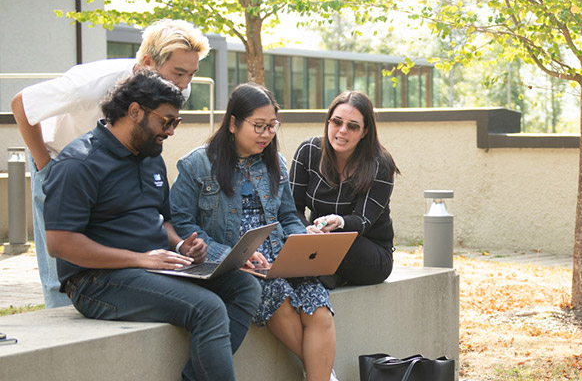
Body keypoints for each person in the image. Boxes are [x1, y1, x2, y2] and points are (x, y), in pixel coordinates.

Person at [43, 71, 261, 381]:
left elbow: (165, 220)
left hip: (155, 268)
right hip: (96, 281)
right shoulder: (79, 163)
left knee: (245, 286)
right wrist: (141, 259)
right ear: (135, 112)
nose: (171, 131)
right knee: (208, 307)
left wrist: (179, 245)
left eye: (176, 122)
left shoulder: (150, 157)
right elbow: (61, 244)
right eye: (166, 121)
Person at [10, 19, 210, 308]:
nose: (184, 85)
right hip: (60, 159)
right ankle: (60, 319)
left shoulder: (175, 88)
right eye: (178, 73)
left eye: (191, 74)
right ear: (146, 62)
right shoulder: (88, 85)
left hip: (119, 161)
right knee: (61, 259)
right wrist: (45, 167)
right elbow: (21, 105)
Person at [170, 83, 338, 381]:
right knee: (281, 300)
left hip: (281, 257)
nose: (266, 134)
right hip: (239, 265)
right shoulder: (197, 164)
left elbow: (287, 214)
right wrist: (229, 256)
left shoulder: (275, 163)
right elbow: (181, 223)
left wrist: (300, 246)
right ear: (233, 123)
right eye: (258, 126)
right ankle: (323, 372)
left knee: (319, 309)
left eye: (272, 126)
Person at [290, 90, 400, 289]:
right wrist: (304, 229)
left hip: (367, 250)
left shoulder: (380, 165)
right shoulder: (308, 152)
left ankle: (326, 274)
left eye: (352, 126)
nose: (342, 131)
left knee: (334, 244)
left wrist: (339, 222)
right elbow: (291, 208)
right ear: (328, 122)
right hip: (318, 242)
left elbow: (363, 221)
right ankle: (327, 275)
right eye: (336, 122)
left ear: (365, 132)